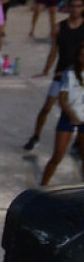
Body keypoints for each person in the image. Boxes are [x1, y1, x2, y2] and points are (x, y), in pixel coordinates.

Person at [25, 0, 84, 151]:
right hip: (61, 73)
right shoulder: (59, 27)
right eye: (73, 6)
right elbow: (53, 51)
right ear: (68, 7)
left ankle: (78, 141)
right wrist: (46, 70)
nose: (76, 9)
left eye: (79, 6)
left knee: (80, 109)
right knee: (47, 107)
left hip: (80, 75)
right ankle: (36, 135)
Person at [40, 43, 84, 185]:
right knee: (57, 156)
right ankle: (43, 187)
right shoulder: (69, 74)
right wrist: (72, 116)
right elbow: (62, 99)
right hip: (68, 117)